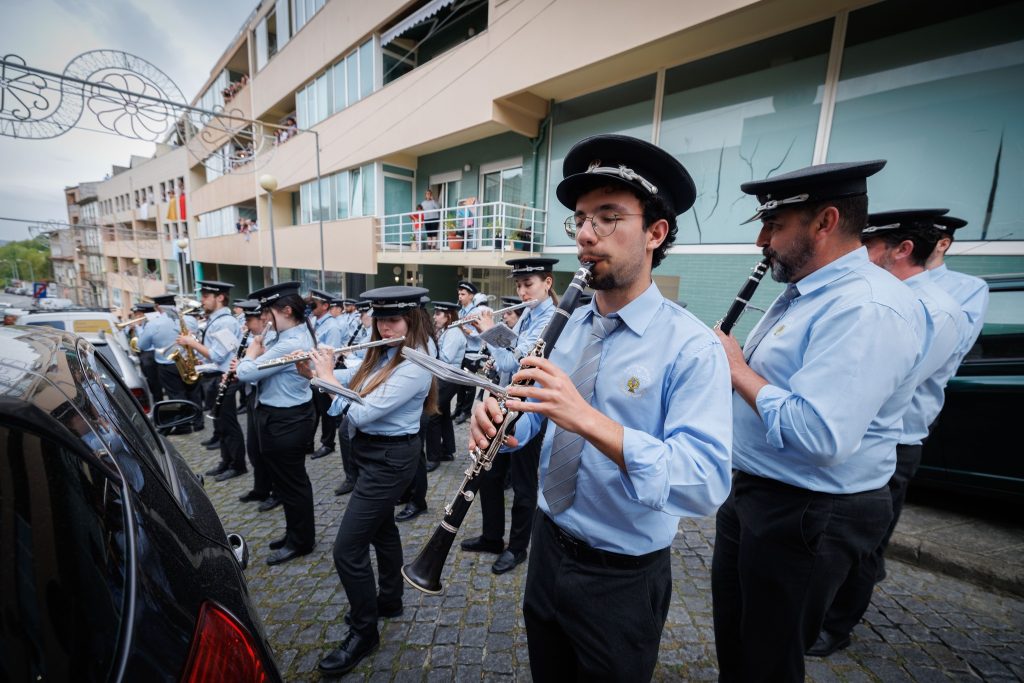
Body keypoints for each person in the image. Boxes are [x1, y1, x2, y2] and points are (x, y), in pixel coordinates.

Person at [470, 134, 733, 680]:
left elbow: (704, 483)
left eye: (609, 217)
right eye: (582, 219)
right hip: (547, 546)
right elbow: (541, 418)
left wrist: (586, 419)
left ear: (656, 233)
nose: (587, 235)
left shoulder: (691, 346)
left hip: (622, 577)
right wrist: (510, 425)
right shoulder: (567, 324)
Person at [711, 160, 926, 682]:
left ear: (825, 222)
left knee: (769, 657)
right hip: (759, 493)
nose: (762, 240)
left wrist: (736, 369)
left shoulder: (866, 308)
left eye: (775, 226)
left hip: (810, 509)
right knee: (738, 641)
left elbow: (820, 435)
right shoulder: (805, 291)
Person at [810, 209, 967, 657]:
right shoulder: (885, 298)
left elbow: (888, 383)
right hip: (867, 437)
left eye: (870, 245)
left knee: (865, 549)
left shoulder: (931, 307)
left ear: (901, 250)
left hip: (892, 442)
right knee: (843, 547)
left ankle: (836, 628)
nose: (860, 253)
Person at [304, 286, 436, 677]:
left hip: (391, 459)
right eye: (379, 318)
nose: (384, 325)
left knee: (346, 549)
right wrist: (315, 367)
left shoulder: (417, 362)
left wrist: (326, 378)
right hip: (371, 454)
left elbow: (362, 413)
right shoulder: (384, 352)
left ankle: (364, 632)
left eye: (393, 319)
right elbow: (355, 377)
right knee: (382, 530)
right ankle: (390, 600)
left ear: (411, 320)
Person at [461, 257, 559, 575]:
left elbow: (513, 363)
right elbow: (504, 360)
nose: (522, 291)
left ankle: (517, 548)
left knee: (523, 484)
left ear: (547, 283)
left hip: (530, 412)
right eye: (519, 285)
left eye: (528, 284)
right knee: (490, 475)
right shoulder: (528, 316)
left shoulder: (554, 319)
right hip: (506, 404)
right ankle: (492, 537)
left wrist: (491, 331)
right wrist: (486, 340)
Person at [236, 281, 318, 565]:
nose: (265, 319)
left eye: (268, 312)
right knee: (288, 482)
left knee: (292, 484)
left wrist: (250, 354)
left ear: (286, 310)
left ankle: (301, 541)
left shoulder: (292, 342)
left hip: (286, 421)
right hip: (280, 417)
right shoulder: (287, 337)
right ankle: (295, 532)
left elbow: (246, 373)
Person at [175, 280, 246, 481]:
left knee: (229, 424)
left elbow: (217, 355)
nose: (202, 300)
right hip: (214, 376)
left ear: (220, 298)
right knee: (221, 424)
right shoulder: (217, 319)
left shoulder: (225, 322)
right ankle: (226, 461)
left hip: (224, 379)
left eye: (206, 296)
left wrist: (192, 343)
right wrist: (199, 357)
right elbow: (215, 355)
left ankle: (237, 464)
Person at [927, 214, 990, 362]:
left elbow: (959, 345)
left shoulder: (971, 287)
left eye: (922, 239)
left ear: (943, 244)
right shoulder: (892, 281)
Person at [234, 300, 279, 508]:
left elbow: (258, 374)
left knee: (268, 451)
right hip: (254, 396)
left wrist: (245, 364)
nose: (247, 325)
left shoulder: (270, 342)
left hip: (265, 397)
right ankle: (260, 488)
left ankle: (277, 493)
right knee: (253, 447)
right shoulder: (256, 339)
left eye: (249, 320)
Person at [138, 293, 203, 434]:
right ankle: (198, 422)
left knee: (176, 395)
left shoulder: (154, 323)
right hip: (191, 361)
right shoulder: (190, 319)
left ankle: (183, 425)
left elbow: (143, 345)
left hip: (168, 365)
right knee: (194, 392)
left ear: (157, 307)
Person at [423, 300, 466, 475]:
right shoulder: (447, 330)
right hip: (444, 377)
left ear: (448, 316)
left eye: (438, 314)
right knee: (444, 414)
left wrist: (428, 356)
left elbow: (446, 358)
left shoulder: (454, 332)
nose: (435, 317)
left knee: (432, 414)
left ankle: (433, 457)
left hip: (448, 378)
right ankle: (447, 450)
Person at [309, 288, 344, 460]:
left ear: (325, 306)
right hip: (312, 373)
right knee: (313, 410)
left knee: (326, 411)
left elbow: (332, 356)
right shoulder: (314, 321)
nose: (311, 305)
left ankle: (328, 443)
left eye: (314, 303)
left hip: (323, 374)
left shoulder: (332, 327)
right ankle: (309, 442)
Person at [453, 280, 482, 423]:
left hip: (472, 352)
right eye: (459, 294)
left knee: (469, 384)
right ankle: (458, 409)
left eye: (463, 294)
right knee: (460, 383)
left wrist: (465, 329)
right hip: (461, 351)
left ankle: (466, 412)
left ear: (471, 296)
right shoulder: (460, 312)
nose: (460, 296)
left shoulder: (476, 312)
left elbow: (481, 335)